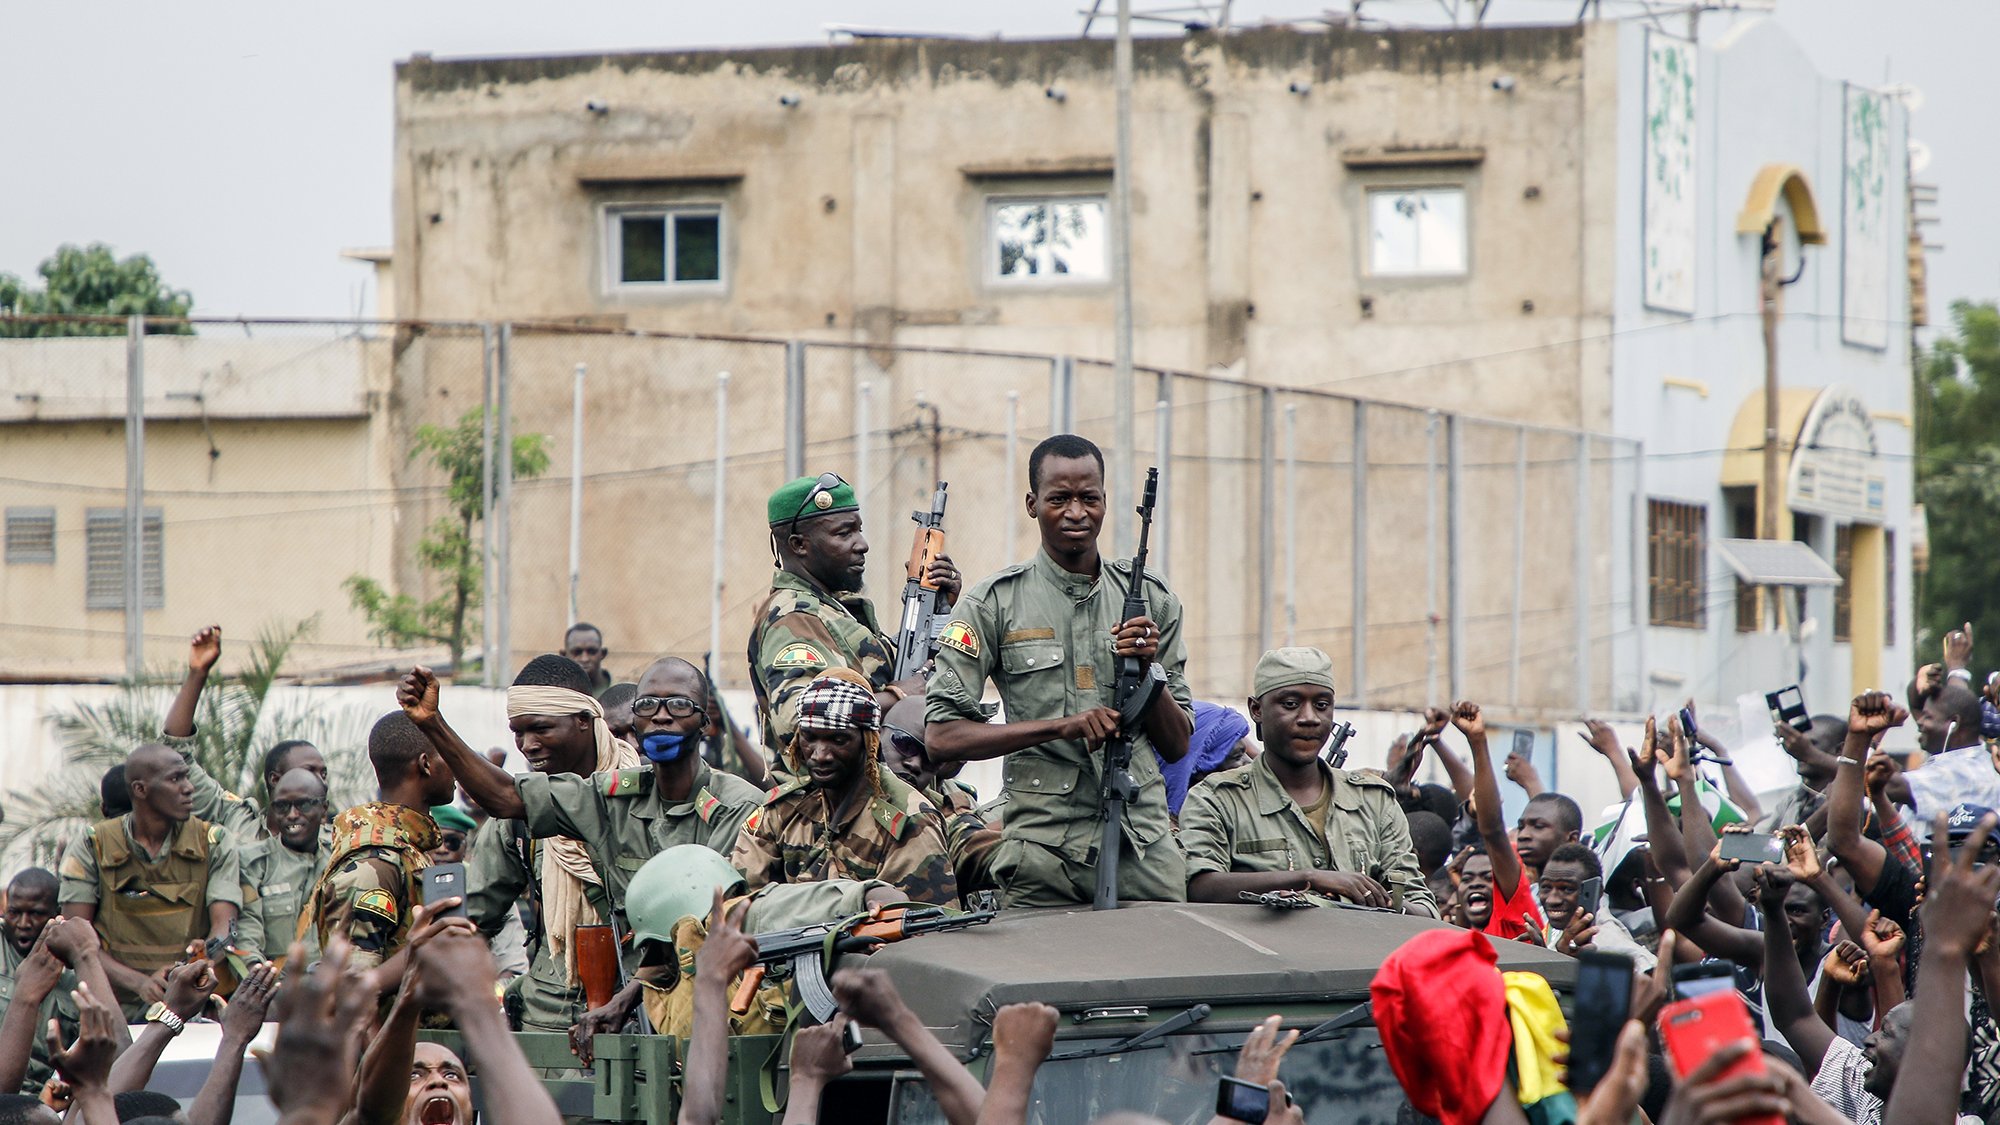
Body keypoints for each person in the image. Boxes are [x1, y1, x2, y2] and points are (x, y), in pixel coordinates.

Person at [925, 434, 1194, 907]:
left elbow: (1177, 745)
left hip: (1142, 849)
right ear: (1032, 505)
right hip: (1042, 852)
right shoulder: (993, 604)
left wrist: (1148, 669)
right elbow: (942, 738)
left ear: (1105, 502)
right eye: (1059, 499)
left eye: (1089, 499)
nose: (1076, 513)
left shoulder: (1152, 599)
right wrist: (1061, 727)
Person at [402, 657, 763, 959]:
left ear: (704, 722)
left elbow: (712, 923)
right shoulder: (609, 797)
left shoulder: (737, 805)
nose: (661, 717)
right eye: (648, 706)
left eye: (679, 705)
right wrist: (433, 723)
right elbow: (505, 797)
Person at [453, 654, 643, 1035]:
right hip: (547, 1020)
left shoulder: (643, 800)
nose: (528, 745)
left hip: (639, 1014)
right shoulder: (516, 819)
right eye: (518, 732)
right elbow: (474, 918)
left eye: (540, 729)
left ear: (584, 720)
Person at [1180, 647, 1436, 916]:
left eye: (1322, 706)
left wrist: (1381, 903)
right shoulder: (1217, 799)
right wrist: (1309, 879)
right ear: (1256, 709)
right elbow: (1199, 887)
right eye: (1290, 704)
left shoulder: (1374, 801)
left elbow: (1424, 908)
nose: (1309, 718)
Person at [747, 473, 961, 768]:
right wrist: (896, 696)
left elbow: (910, 678)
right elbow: (799, 722)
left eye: (858, 530)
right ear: (799, 545)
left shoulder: (833, 609)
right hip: (827, 795)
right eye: (844, 533)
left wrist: (938, 612)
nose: (862, 544)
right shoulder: (793, 617)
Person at [730, 671, 959, 906]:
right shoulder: (782, 809)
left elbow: (923, 920)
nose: (820, 755)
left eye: (838, 741)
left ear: (869, 742)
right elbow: (737, 906)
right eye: (809, 738)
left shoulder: (909, 821)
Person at [58, 744, 240, 1019]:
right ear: (140, 790)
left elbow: (225, 929)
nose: (189, 788)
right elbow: (74, 940)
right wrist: (140, 983)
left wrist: (195, 964)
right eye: (175, 779)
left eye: (186, 777)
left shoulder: (213, 842)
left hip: (190, 1009)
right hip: (111, 1012)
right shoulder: (92, 844)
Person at [301, 711, 456, 978]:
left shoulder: (407, 848)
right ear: (425, 764)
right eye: (448, 755)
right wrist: (425, 949)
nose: (458, 767)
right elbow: (351, 985)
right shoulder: (374, 862)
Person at [162, 626, 330, 843]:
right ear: (275, 780)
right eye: (310, 771)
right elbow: (173, 758)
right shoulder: (237, 820)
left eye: (323, 774)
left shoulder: (336, 842)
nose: (321, 782)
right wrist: (197, 674)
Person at [1438, 702, 1544, 940]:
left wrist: (1477, 742)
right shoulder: (1467, 931)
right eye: (1467, 879)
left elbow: (1493, 832)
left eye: (1488, 878)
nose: (1475, 884)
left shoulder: (1514, 918)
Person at [234, 768, 331, 966]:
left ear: (323, 810)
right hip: (276, 981)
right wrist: (256, 972)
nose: (292, 814)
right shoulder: (254, 864)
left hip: (333, 980)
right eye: (282, 806)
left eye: (303, 805)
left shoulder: (340, 860)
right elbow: (246, 931)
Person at [564, 623, 615, 699]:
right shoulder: (557, 695)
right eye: (577, 652)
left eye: (592, 651)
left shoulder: (622, 693)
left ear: (603, 653)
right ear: (564, 655)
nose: (585, 659)